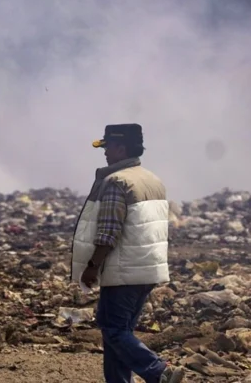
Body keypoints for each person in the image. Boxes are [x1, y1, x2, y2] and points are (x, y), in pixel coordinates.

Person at [71, 124, 185, 383]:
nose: (105, 152)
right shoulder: (152, 179)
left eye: (108, 146)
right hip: (147, 269)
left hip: (123, 272)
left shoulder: (117, 182)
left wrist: (92, 266)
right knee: (119, 332)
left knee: (112, 329)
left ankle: (159, 372)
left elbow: (109, 231)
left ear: (121, 147)